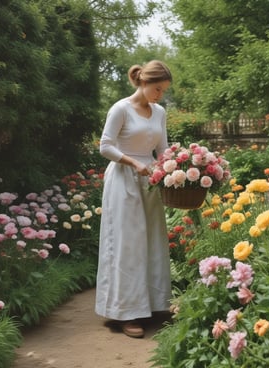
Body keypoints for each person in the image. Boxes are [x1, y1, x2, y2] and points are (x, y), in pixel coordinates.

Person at [95, 60, 173, 338]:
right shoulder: (121, 109)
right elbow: (105, 146)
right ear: (144, 82)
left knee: (152, 240)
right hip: (123, 179)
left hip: (150, 182)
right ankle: (126, 313)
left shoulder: (160, 112)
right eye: (157, 88)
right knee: (127, 244)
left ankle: (154, 305)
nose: (159, 95)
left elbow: (163, 149)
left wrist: (176, 171)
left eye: (163, 91)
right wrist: (133, 163)